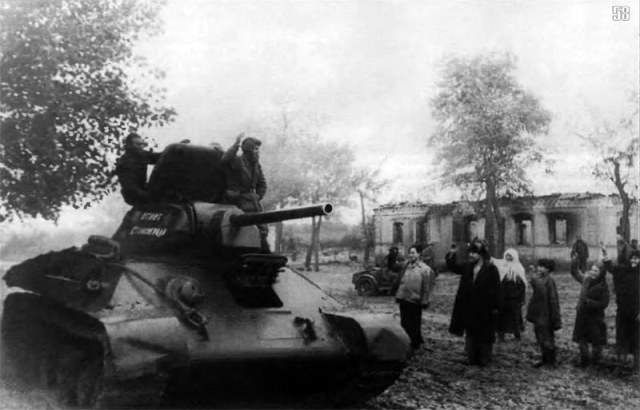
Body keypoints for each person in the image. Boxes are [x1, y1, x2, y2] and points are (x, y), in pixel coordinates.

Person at [446, 242, 500, 366]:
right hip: (469, 306)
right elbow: (453, 267)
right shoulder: (467, 266)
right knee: (470, 332)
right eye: (470, 252)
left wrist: (496, 307)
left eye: (474, 253)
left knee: (484, 333)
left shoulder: (491, 268)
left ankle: (484, 358)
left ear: (481, 255)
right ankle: (471, 357)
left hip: (484, 308)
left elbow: (496, 289)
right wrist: (452, 254)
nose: (470, 255)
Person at [221, 133, 268, 251]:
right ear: (249, 149)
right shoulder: (236, 161)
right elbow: (225, 159)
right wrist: (236, 143)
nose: (258, 152)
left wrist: (258, 196)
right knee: (244, 227)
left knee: (262, 228)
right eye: (256, 149)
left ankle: (263, 252)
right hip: (238, 199)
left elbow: (262, 183)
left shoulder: (256, 165)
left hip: (253, 201)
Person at [603, 246, 639, 371]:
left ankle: (637, 365)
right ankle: (621, 362)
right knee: (622, 335)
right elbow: (612, 268)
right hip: (623, 310)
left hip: (637, 313)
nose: (634, 261)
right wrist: (605, 254)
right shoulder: (624, 270)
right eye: (632, 258)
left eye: (637, 259)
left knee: (636, 338)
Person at [570, 252, 609, 367]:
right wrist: (575, 261)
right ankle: (584, 360)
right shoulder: (586, 280)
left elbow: (604, 303)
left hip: (595, 318)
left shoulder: (603, 287)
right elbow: (576, 273)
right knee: (582, 339)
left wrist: (589, 302)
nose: (592, 272)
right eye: (592, 270)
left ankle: (596, 361)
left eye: (595, 271)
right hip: (582, 315)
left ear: (601, 273)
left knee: (596, 340)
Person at [394, 244, 436, 350]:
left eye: (413, 253)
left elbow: (427, 287)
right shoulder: (405, 266)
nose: (411, 255)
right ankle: (406, 343)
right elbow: (400, 280)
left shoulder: (425, 269)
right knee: (404, 322)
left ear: (419, 254)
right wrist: (397, 294)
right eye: (409, 253)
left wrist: (425, 300)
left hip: (415, 301)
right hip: (404, 299)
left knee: (415, 324)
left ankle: (415, 344)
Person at [526, 259, 562, 368]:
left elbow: (553, 300)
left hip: (546, 315)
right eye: (539, 266)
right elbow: (535, 283)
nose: (539, 268)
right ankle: (545, 359)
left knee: (547, 339)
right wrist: (532, 273)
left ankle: (551, 361)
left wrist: (555, 318)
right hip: (538, 313)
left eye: (542, 267)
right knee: (540, 337)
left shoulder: (549, 281)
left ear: (548, 269)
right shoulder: (540, 278)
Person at [115, 133, 160, 206]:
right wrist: (147, 195)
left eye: (142, 144)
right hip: (133, 195)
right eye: (138, 144)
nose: (141, 147)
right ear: (130, 145)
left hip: (143, 189)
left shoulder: (142, 155)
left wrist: (175, 150)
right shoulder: (125, 162)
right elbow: (129, 186)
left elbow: (158, 157)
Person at [492, 248, 527, 341]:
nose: (508, 258)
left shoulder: (519, 268)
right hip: (503, 297)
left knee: (515, 317)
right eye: (507, 256)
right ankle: (501, 335)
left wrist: (521, 298)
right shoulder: (501, 267)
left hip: (514, 298)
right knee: (501, 317)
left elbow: (522, 285)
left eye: (510, 256)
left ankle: (517, 335)